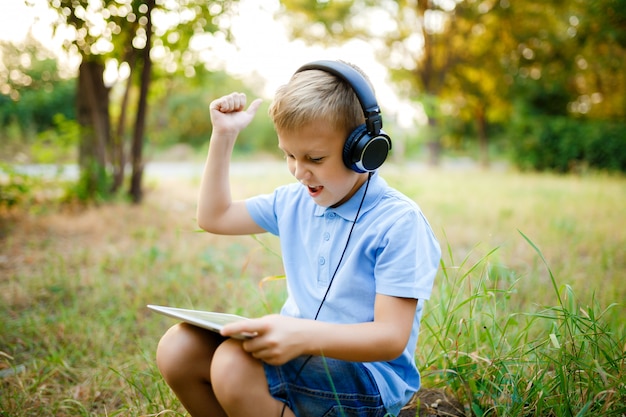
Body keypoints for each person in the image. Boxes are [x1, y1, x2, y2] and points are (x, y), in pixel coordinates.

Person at [155, 60, 441, 417]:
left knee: (233, 365)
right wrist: (224, 135)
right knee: (178, 348)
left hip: (370, 380)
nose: (299, 171)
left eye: (315, 158)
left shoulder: (398, 222)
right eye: (288, 155)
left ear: (364, 150)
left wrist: (301, 334)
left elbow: (389, 338)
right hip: (302, 351)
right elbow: (214, 216)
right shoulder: (292, 200)